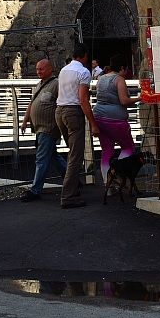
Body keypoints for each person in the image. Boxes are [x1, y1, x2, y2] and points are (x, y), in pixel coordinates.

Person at [55, 48, 99, 208]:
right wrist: (93, 123)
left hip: (59, 111)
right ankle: (68, 196)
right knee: (75, 156)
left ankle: (74, 187)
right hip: (73, 113)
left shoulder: (63, 70)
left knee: (73, 153)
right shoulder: (84, 72)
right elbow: (83, 100)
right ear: (85, 56)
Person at [19, 59, 68, 201]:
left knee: (41, 159)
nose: (38, 72)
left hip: (48, 128)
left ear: (49, 69)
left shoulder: (56, 84)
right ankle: (73, 180)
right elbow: (32, 103)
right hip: (39, 128)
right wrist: (25, 121)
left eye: (41, 69)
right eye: (37, 69)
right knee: (53, 156)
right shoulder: (39, 85)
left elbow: (62, 104)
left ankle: (35, 190)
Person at [92, 56, 136, 187]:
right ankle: (117, 171)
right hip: (116, 120)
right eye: (126, 69)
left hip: (99, 117)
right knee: (128, 147)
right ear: (122, 68)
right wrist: (139, 98)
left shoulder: (101, 78)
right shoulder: (119, 79)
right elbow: (124, 101)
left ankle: (108, 183)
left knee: (106, 150)